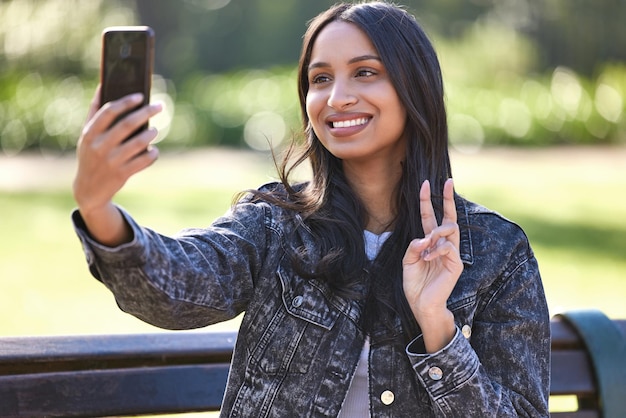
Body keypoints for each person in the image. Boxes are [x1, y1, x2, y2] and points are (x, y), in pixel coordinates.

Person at [72, 2, 550, 416]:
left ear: (415, 87)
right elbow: (174, 290)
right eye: (320, 78)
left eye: (365, 72)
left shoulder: (495, 254)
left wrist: (437, 327)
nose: (336, 97)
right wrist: (97, 207)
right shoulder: (275, 224)